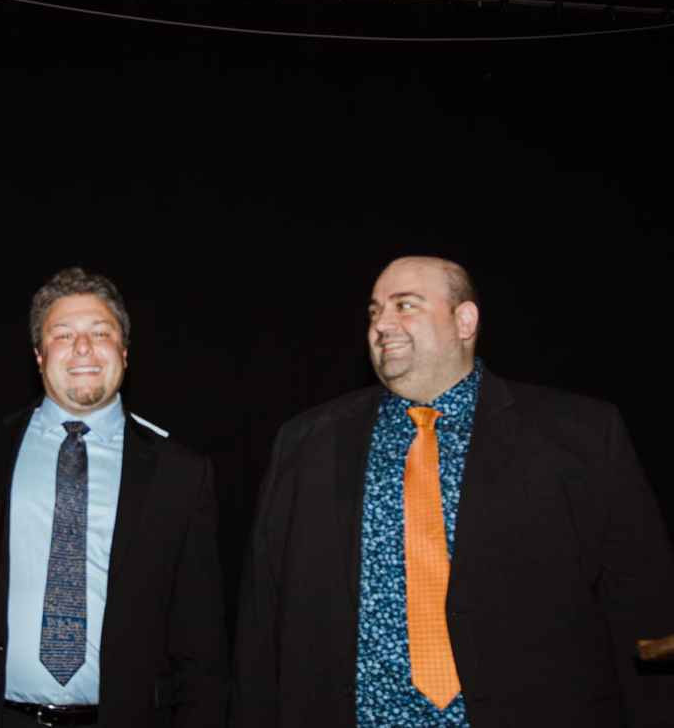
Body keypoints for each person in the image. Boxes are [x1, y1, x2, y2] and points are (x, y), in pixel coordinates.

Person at [231, 256, 674, 728]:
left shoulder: (580, 436)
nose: (382, 324)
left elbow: (644, 609)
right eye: (374, 311)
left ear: (465, 320)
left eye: (405, 306)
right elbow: (262, 623)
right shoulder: (307, 443)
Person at [0, 267, 229, 728]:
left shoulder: (181, 474)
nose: (83, 347)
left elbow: (200, 643)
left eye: (100, 332)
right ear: (38, 354)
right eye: (63, 334)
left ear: (124, 353)